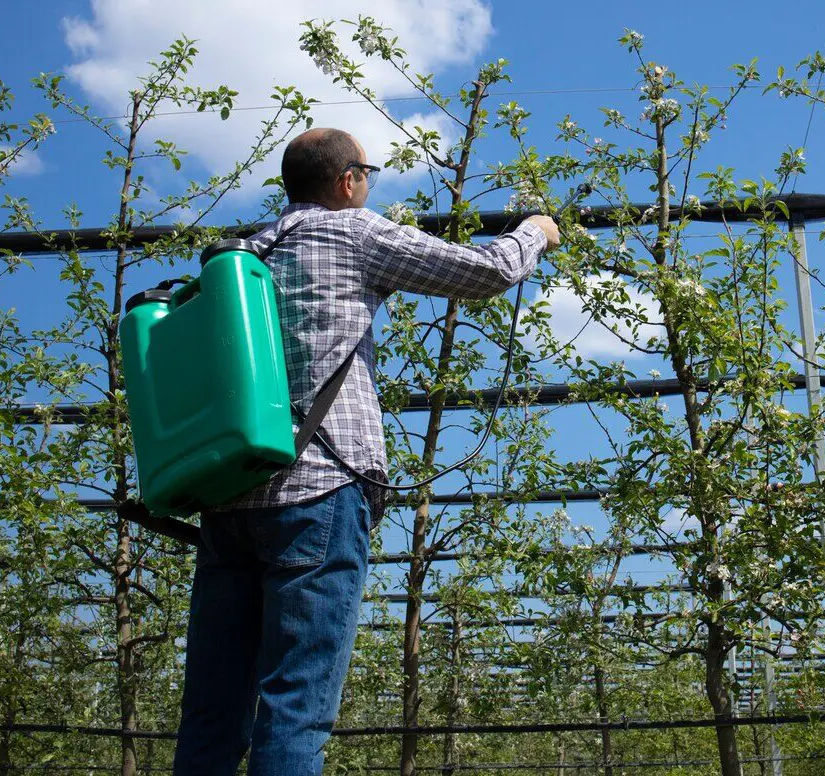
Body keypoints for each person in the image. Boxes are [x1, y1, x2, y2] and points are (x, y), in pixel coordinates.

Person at [172, 128, 560, 774]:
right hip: (319, 491)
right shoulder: (353, 233)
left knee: (212, 715)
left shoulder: (240, 255)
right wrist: (535, 232)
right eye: (369, 175)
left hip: (228, 500)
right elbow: (486, 273)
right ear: (349, 181)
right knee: (294, 708)